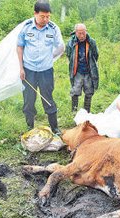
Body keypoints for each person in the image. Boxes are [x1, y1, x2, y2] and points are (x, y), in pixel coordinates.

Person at [17, 1, 64, 134]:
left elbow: (61, 47)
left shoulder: (53, 28)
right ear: (35, 14)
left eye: (48, 16)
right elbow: (19, 47)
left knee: (48, 98)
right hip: (28, 70)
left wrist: (50, 57)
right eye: (43, 16)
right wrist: (21, 68)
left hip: (46, 71)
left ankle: (55, 128)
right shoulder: (26, 27)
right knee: (28, 100)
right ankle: (29, 127)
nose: (46, 19)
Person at [66, 23, 99, 113]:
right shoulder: (71, 42)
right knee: (75, 91)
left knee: (89, 91)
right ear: (75, 33)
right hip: (77, 71)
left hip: (89, 71)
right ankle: (74, 112)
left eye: (83, 33)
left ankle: (86, 112)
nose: (82, 35)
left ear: (86, 32)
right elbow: (69, 55)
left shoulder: (91, 42)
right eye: (79, 33)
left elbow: (96, 55)